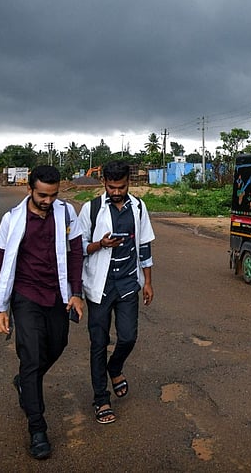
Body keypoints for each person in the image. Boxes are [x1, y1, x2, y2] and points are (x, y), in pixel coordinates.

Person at [0, 165, 85, 460]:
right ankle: (37, 427)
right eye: (42, 195)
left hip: (57, 293)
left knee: (57, 344)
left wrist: (76, 292)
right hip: (25, 295)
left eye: (53, 195)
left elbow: (77, 253)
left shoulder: (66, 214)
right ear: (29, 189)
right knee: (31, 356)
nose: (48, 201)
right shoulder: (12, 219)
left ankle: (25, 382)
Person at [78, 160, 156, 425]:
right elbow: (78, 249)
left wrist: (147, 282)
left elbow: (144, 246)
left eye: (121, 187)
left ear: (128, 183)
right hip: (99, 287)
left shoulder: (139, 207)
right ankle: (101, 398)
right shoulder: (91, 209)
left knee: (128, 337)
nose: (116, 192)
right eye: (111, 187)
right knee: (98, 343)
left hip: (126, 284)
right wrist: (101, 244)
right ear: (104, 184)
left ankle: (115, 367)